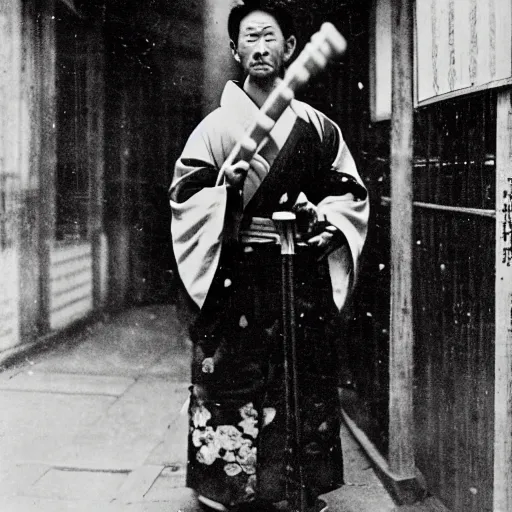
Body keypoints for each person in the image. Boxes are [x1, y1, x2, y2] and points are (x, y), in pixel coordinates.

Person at [169, 2, 369, 511]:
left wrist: (327, 223)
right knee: (233, 378)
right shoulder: (215, 129)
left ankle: (296, 485)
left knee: (301, 378)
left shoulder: (320, 129)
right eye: (249, 38)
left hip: (299, 270)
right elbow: (185, 198)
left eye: (269, 37)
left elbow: (349, 192)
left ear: (291, 48)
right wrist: (224, 195)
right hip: (237, 273)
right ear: (235, 51)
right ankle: (226, 487)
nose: (260, 47)